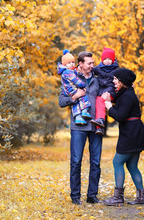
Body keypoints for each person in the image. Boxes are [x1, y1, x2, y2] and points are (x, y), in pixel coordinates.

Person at [58, 51, 102, 205]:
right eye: (89, 63)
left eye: (93, 63)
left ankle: (92, 196)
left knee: (95, 163)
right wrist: (75, 96)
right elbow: (61, 101)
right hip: (78, 127)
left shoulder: (97, 81)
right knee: (76, 162)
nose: (92, 65)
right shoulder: (70, 78)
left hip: (96, 126)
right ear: (80, 64)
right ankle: (75, 196)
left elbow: (110, 93)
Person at [102, 68, 144, 206]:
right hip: (135, 132)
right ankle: (141, 197)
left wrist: (109, 107)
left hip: (131, 133)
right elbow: (118, 97)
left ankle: (118, 197)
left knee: (117, 162)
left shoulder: (128, 96)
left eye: (116, 79)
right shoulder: (127, 93)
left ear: (122, 81)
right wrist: (109, 98)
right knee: (132, 165)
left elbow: (121, 116)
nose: (113, 81)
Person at [57, 50, 92, 125]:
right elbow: (76, 80)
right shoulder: (68, 72)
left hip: (69, 90)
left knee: (75, 103)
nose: (72, 64)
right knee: (82, 96)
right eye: (69, 63)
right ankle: (84, 110)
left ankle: (78, 117)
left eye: (73, 62)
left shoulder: (68, 72)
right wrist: (82, 86)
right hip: (71, 90)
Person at [90, 47, 119, 135]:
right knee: (99, 100)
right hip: (101, 91)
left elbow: (124, 76)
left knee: (102, 98)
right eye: (105, 59)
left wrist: (130, 83)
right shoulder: (98, 68)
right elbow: (89, 70)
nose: (107, 61)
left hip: (110, 91)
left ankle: (100, 121)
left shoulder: (116, 70)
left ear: (113, 60)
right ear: (102, 59)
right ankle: (99, 127)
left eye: (109, 59)